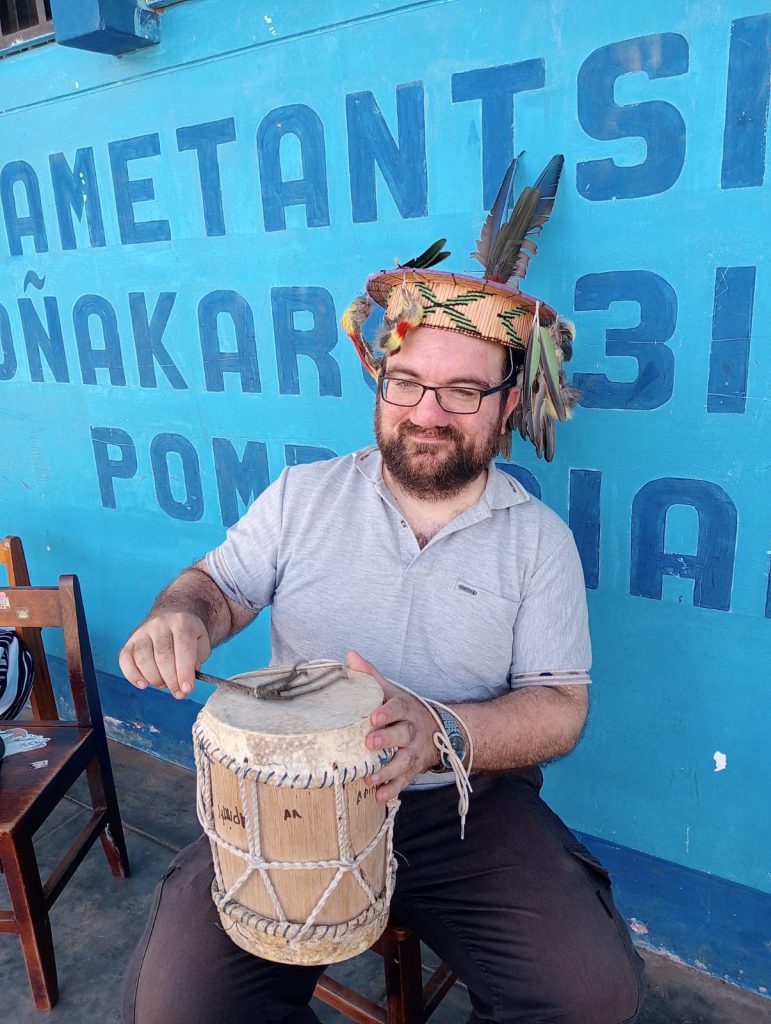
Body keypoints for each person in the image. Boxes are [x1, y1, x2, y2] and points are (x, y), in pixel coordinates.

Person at [120, 156, 646, 1024]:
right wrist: (181, 614)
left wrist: (440, 732)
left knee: (591, 996)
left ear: (507, 406)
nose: (426, 411)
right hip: (291, 796)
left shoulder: (537, 541)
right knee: (181, 1010)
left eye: (463, 391)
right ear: (381, 380)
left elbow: (559, 709)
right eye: (406, 382)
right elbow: (217, 587)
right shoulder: (302, 496)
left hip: (463, 809)